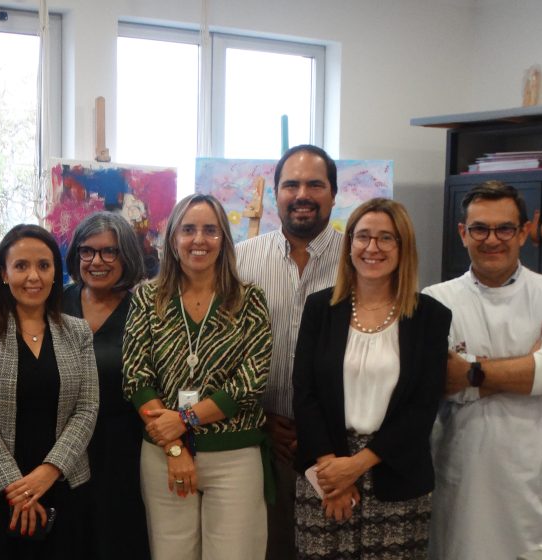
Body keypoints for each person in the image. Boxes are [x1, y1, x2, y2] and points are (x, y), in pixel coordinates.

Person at [423, 181, 542, 560]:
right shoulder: (436, 301)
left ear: (523, 233)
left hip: (541, 481)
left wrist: (471, 374)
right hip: (468, 479)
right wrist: (530, 366)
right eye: (479, 229)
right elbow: (434, 382)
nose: (492, 240)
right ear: (462, 234)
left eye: (504, 228)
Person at [291, 198, 451, 558]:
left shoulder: (430, 317)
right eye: (362, 237)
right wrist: (331, 471)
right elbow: (304, 393)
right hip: (325, 474)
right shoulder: (320, 309)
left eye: (385, 238)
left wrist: (358, 465)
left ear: (403, 247)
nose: (372, 248)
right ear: (349, 245)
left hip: (396, 476)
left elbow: (422, 407)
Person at [123, 193, 273, 560]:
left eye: (210, 230)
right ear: (173, 240)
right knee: (171, 553)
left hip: (233, 454)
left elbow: (251, 381)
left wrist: (184, 420)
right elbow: (135, 375)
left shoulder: (249, 300)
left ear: (224, 240)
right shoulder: (146, 298)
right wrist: (174, 445)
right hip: (164, 454)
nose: (199, 240)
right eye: (188, 230)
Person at [0, 224, 98, 559]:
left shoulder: (78, 332)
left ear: (55, 274)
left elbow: (87, 408)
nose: (33, 276)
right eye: (21, 266)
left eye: (43, 266)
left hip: (63, 486)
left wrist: (48, 473)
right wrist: (16, 488)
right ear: (3, 274)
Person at [234, 144, 344, 560]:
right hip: (262, 441)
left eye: (315, 184)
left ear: (333, 193)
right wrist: (260, 415)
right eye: (291, 184)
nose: (302, 194)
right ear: (275, 194)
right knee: (268, 549)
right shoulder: (241, 262)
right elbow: (221, 354)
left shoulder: (359, 260)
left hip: (337, 448)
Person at [62, 212, 150, 560]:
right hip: (61, 449)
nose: (97, 261)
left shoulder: (143, 310)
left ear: (125, 255)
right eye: (87, 251)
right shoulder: (56, 304)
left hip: (122, 452)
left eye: (109, 252)